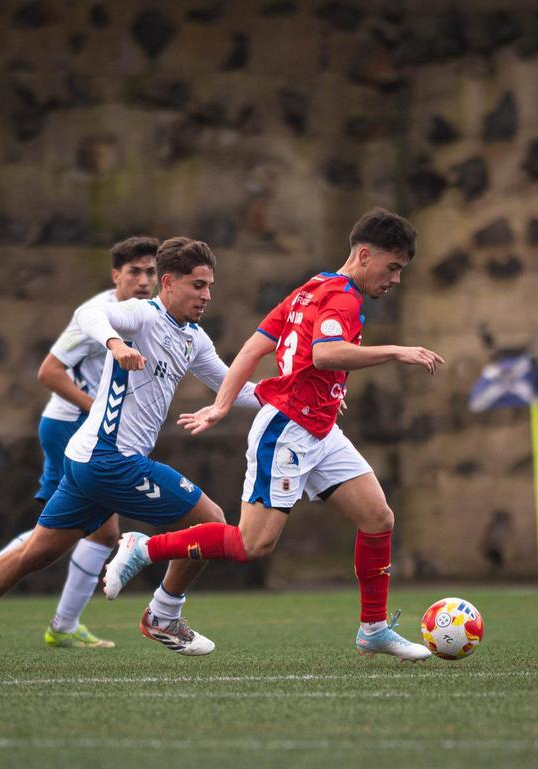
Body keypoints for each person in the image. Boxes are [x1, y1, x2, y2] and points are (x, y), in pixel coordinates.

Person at [99, 208, 445, 662]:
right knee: (252, 543)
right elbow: (326, 355)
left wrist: (223, 404)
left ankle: (374, 629)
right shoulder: (341, 298)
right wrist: (397, 351)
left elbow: (254, 346)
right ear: (364, 255)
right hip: (287, 431)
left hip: (320, 429)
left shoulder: (311, 288)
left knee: (379, 518)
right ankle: (145, 547)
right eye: (393, 267)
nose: (395, 279)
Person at [0, 237, 259, 670]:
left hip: (87, 461)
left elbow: (235, 387)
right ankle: (163, 615)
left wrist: (294, 399)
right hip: (109, 459)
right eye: (198, 285)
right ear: (170, 283)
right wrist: (116, 344)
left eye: (210, 286)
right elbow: (88, 314)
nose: (207, 296)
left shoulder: (193, 339)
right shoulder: (141, 315)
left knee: (38, 553)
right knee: (211, 524)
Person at [0, 236, 160, 650]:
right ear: (117, 276)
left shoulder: (144, 315)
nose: (144, 280)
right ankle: (52, 620)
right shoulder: (97, 316)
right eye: (135, 271)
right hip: (70, 426)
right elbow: (49, 372)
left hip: (94, 430)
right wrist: (97, 405)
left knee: (79, 528)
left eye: (150, 272)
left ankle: (50, 618)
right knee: (91, 529)